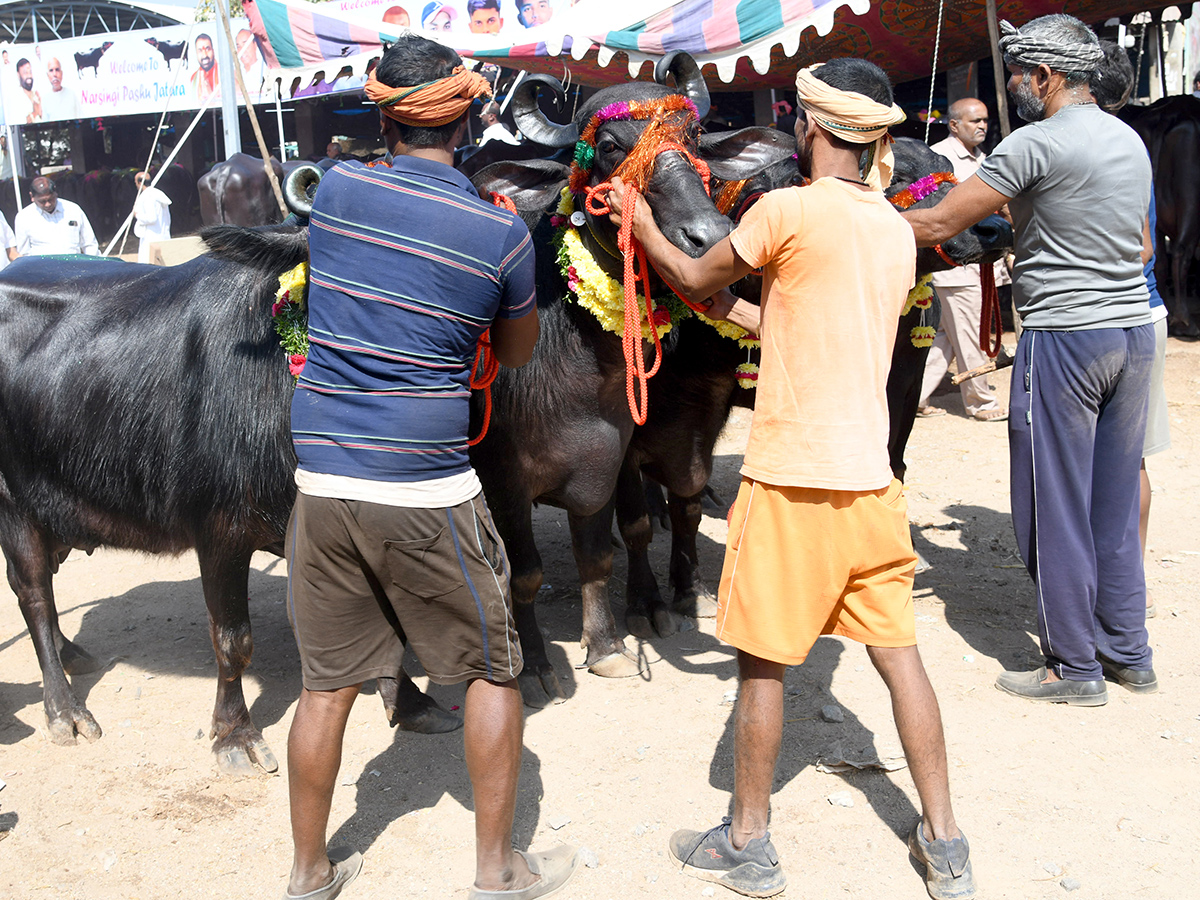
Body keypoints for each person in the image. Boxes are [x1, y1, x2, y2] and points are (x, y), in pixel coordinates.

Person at [607, 57, 974, 900]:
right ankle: (946, 841)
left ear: (808, 125)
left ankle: (747, 841)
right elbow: (788, 319)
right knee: (901, 659)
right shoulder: (890, 226)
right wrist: (722, 310)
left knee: (763, 665)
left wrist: (640, 220)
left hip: (790, 483)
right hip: (872, 483)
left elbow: (698, 274)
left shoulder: (784, 210)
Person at [283, 32, 578, 900]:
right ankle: (496, 871)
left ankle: (308, 872)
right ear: (472, 117)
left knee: (325, 686)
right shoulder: (497, 231)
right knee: (493, 669)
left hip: (323, 482)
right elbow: (517, 353)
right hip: (424, 488)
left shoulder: (334, 191)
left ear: (384, 115)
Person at [904, 15, 1156, 706]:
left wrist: (844, 223)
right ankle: (1128, 653)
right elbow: (1138, 248)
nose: (1013, 83)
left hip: (1066, 336)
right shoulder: (1127, 139)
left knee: (1055, 506)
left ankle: (1073, 667)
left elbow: (936, 224)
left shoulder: (1033, 143)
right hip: (1132, 333)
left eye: (1018, 73)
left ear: (1045, 76)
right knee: (1111, 499)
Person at [1090, 39, 1171, 621]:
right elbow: (1147, 245)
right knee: (1132, 458)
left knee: (1087, 462)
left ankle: (1102, 590)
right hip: (1147, 313)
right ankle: (1127, 583)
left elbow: (1140, 245)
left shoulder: (1088, 146)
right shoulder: (1134, 146)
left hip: (1099, 320)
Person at [916, 98, 1010, 422]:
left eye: (985, 120)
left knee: (944, 337)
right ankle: (981, 403)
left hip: (974, 265)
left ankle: (914, 395)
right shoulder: (939, 159)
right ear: (954, 125)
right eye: (975, 121)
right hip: (956, 264)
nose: (982, 126)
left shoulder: (984, 159)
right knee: (971, 332)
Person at [15, 177, 98, 256]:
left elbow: (89, 244)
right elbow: (24, 253)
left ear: (56, 193)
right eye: (42, 201)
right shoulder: (24, 218)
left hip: (73, 267)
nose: (48, 204)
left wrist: (96, 266)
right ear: (32, 197)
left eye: (50, 199)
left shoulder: (73, 210)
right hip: (42, 269)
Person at [132, 171, 171, 264]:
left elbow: (151, 218)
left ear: (140, 183)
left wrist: (137, 215)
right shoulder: (158, 193)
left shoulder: (148, 196)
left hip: (151, 238)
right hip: (163, 235)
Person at [192, 33, 219, 103]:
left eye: (207, 49)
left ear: (213, 51)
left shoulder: (224, 73)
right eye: (200, 51)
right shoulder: (193, 79)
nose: (204, 55)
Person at [14, 58, 42, 124]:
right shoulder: (16, 98)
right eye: (25, 73)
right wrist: (35, 112)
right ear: (18, 75)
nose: (29, 76)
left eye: (30, 72)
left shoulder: (36, 94)